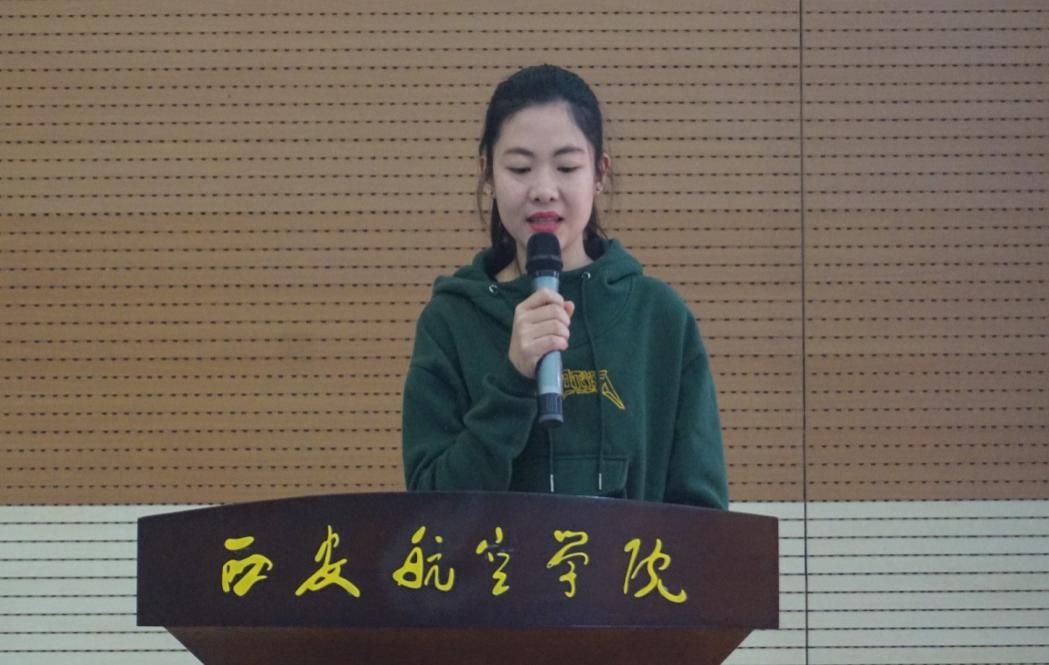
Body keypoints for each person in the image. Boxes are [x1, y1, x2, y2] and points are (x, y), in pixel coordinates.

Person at [401, 64, 728, 509]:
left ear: (600, 174)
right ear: (488, 173)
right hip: (497, 559)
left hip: (628, 559)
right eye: (520, 167)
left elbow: (702, 515)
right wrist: (513, 379)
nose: (543, 190)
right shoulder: (451, 321)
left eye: (567, 166)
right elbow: (430, 510)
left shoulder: (659, 318)